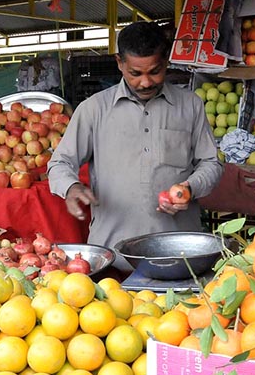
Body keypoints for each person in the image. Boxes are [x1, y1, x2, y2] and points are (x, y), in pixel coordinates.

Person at [48, 21, 223, 273]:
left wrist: (190, 188)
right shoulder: (94, 109)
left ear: (166, 62)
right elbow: (59, 163)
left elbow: (211, 164)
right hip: (112, 258)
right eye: (135, 73)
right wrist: (71, 186)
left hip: (178, 256)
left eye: (155, 71)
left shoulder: (190, 106)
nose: (145, 82)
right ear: (119, 63)